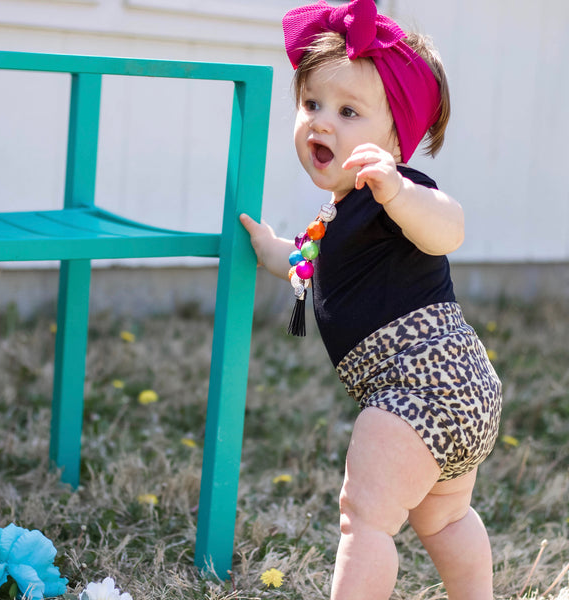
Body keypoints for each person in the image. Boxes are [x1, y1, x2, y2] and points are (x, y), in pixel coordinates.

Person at [239, 0, 502, 598]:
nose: (321, 122)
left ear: (394, 137)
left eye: (348, 110)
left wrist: (399, 192)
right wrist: (268, 248)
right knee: (445, 518)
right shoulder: (333, 217)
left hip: (419, 387)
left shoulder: (396, 193)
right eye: (311, 104)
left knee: (365, 518)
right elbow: (303, 267)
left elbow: (448, 229)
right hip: (463, 395)